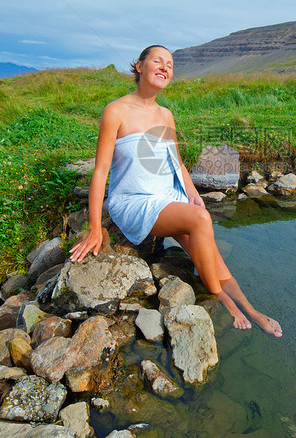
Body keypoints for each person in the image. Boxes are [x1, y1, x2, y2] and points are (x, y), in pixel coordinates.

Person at [69, 45, 282, 337]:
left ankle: (251, 310)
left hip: (168, 196)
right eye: (158, 61)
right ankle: (221, 297)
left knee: (211, 250)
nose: (165, 67)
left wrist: (193, 196)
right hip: (135, 202)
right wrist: (95, 228)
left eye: (170, 64)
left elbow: (178, 164)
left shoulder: (166, 115)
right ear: (140, 66)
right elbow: (100, 172)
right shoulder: (116, 111)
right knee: (200, 222)